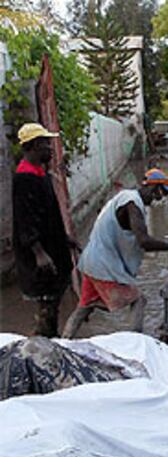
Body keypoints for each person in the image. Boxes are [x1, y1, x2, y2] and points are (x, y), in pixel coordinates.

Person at [62, 168, 168, 338]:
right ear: (154, 188)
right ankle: (137, 342)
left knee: (84, 308)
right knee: (139, 300)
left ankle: (64, 340)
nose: (157, 200)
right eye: (159, 195)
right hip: (103, 267)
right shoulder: (133, 204)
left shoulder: (126, 197)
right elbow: (144, 241)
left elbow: (139, 237)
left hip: (91, 262)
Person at [12, 123, 77, 338]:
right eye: (45, 144)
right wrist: (39, 253)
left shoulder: (41, 175)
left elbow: (49, 216)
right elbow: (25, 219)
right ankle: (44, 343)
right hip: (42, 256)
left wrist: (65, 239)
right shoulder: (24, 178)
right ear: (32, 146)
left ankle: (51, 339)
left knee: (54, 302)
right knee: (46, 305)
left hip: (53, 249)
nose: (50, 148)